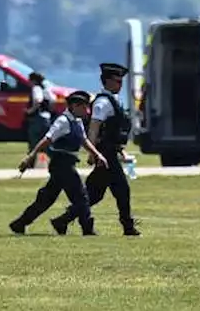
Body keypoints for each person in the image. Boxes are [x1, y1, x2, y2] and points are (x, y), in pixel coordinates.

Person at [50, 62, 140, 236]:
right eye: (117, 81)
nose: (120, 85)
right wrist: (93, 153)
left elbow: (113, 131)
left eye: (121, 81)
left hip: (110, 152)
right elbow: (94, 127)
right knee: (121, 190)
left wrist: (120, 150)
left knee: (94, 194)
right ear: (107, 81)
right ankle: (128, 226)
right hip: (105, 154)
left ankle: (63, 220)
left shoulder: (113, 101)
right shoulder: (103, 103)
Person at [8, 90, 107, 236]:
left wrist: (97, 154)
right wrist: (30, 157)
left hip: (67, 164)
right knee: (81, 197)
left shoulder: (77, 121)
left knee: (46, 198)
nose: (87, 111)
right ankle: (86, 228)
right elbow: (46, 140)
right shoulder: (62, 122)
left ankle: (20, 224)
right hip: (61, 165)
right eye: (84, 107)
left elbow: (83, 140)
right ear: (74, 106)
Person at [24, 71, 55, 150]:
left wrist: (30, 111)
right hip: (47, 119)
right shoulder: (46, 89)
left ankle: (33, 161)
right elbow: (53, 100)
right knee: (44, 145)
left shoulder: (36, 88)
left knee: (35, 144)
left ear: (34, 80)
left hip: (37, 119)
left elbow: (38, 100)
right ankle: (42, 162)